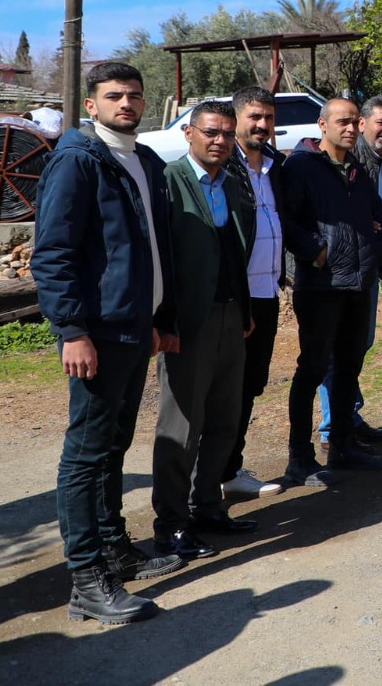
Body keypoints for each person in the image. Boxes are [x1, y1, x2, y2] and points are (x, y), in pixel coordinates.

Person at [33, 61, 182, 625]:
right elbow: (54, 253)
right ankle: (87, 580)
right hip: (97, 332)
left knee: (114, 445)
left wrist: (161, 318)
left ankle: (115, 547)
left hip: (133, 329)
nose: (127, 104)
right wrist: (72, 330)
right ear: (91, 105)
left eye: (135, 96)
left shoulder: (143, 160)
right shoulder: (78, 160)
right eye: (114, 96)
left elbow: (151, 248)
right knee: (87, 453)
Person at [152, 99, 256, 561]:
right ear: (189, 134)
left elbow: (235, 250)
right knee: (182, 426)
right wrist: (164, 320)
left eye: (227, 134)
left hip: (231, 315)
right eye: (212, 132)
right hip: (187, 323)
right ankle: (171, 524)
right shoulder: (169, 182)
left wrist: (246, 309)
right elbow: (162, 259)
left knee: (224, 418)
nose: (220, 141)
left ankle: (207, 506)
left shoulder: (231, 181)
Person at [280, 98, 382, 483]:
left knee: (349, 368)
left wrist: (374, 252)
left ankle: (343, 447)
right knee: (312, 369)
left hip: (358, 283)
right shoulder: (301, 167)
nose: (351, 128)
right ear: (322, 125)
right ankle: (300, 455)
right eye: (342, 121)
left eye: (355, 122)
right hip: (321, 285)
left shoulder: (357, 169)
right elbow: (287, 219)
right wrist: (316, 251)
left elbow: (380, 215)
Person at [317, 95, 382, 448]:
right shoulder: (353, 162)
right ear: (363, 124)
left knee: (358, 346)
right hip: (342, 274)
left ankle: (349, 416)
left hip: (369, 271)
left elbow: (381, 216)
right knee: (338, 351)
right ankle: (333, 427)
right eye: (380, 123)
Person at [220, 87, 287, 500]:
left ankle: (229, 470)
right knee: (224, 388)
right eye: (254, 117)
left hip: (267, 293)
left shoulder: (277, 167)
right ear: (237, 118)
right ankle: (205, 478)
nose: (261, 125)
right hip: (232, 297)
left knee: (250, 385)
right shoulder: (226, 167)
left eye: (268, 118)